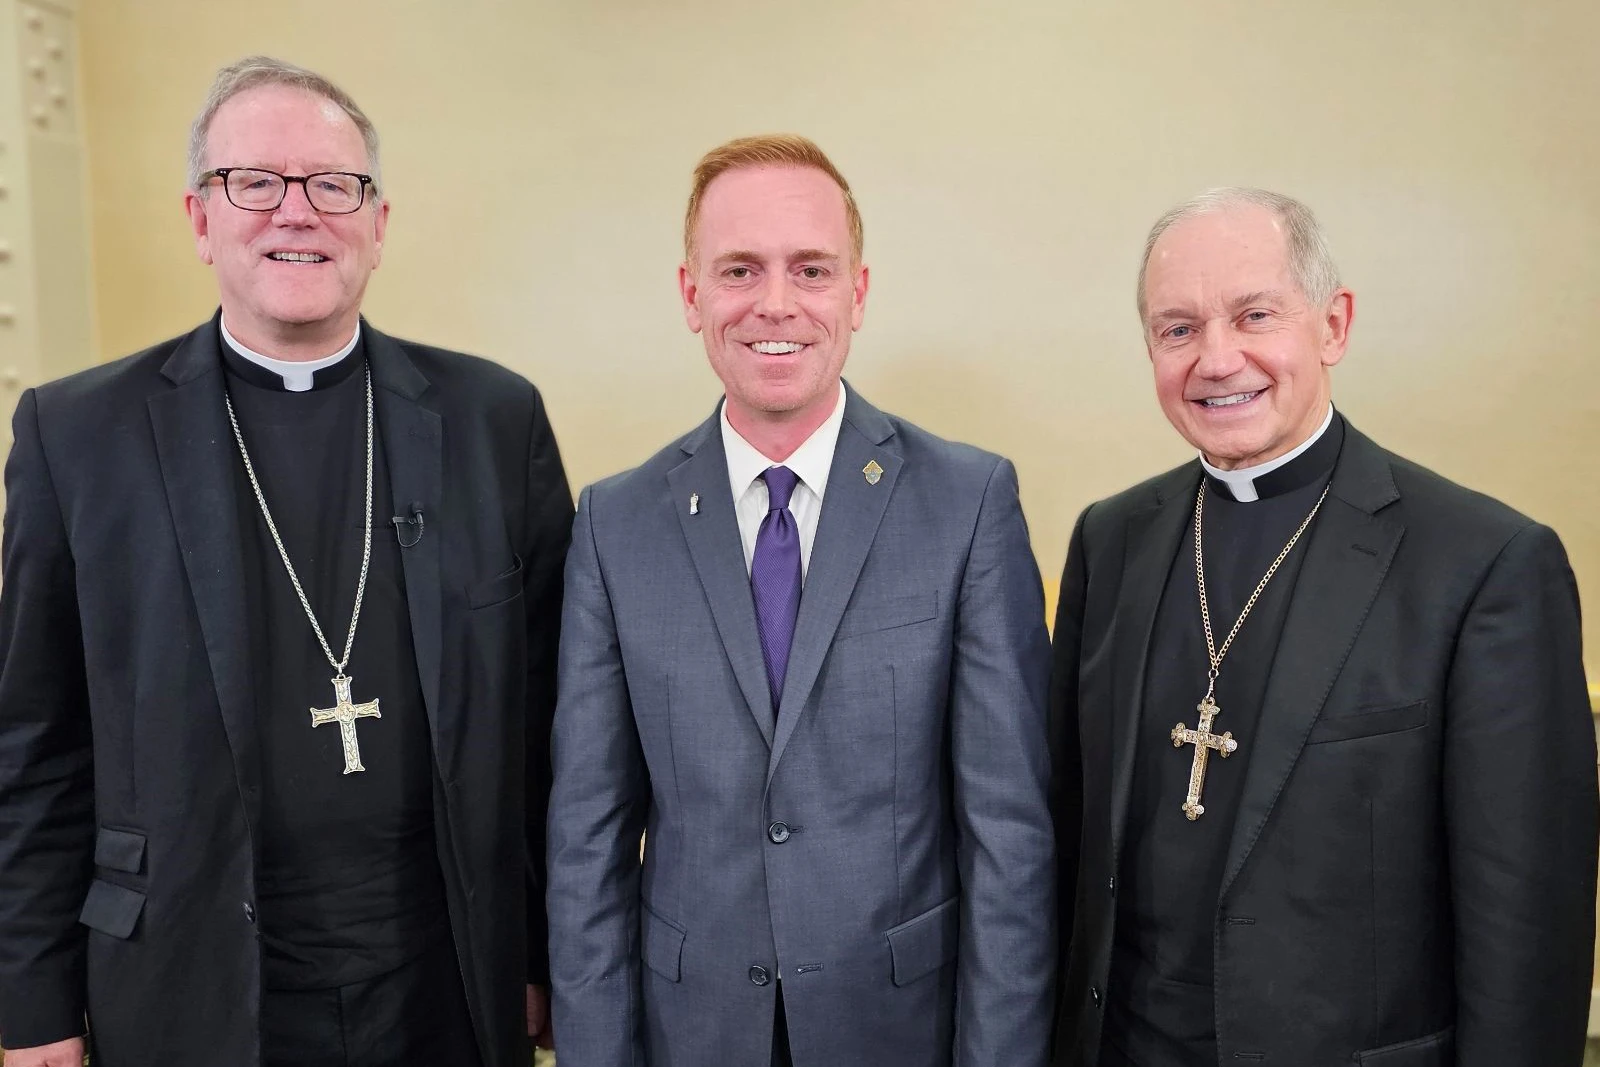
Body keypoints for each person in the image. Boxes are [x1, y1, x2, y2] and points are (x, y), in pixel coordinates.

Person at [0, 56, 570, 1067]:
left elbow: (548, 727)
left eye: (332, 184)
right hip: (192, 976)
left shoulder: (493, 421)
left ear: (377, 223)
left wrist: (540, 947)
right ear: (200, 217)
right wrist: (29, 997)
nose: (294, 212)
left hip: (443, 972)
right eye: (254, 182)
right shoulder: (77, 436)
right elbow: (34, 746)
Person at [1049, 187, 1597, 1066]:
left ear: (1333, 325)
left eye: (1254, 314)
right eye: (1177, 329)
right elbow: (1070, 840)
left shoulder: (1486, 562)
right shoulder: (1111, 538)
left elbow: (1527, 923)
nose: (1216, 359)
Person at [547, 134, 1056, 1066]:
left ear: (856, 293)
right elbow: (587, 844)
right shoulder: (613, 523)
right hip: (690, 1032)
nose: (775, 303)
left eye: (810, 269)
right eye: (739, 269)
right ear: (691, 293)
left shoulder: (969, 503)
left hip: (899, 1029)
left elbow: (1009, 841)